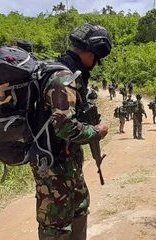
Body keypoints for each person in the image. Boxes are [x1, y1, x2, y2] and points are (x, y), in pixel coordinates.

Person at [30, 23, 112, 240]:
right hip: (53, 165)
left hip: (67, 164)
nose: (95, 63)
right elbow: (64, 126)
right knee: (56, 227)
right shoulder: (64, 78)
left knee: (80, 208)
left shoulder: (65, 72)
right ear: (88, 53)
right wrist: (96, 131)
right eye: (95, 57)